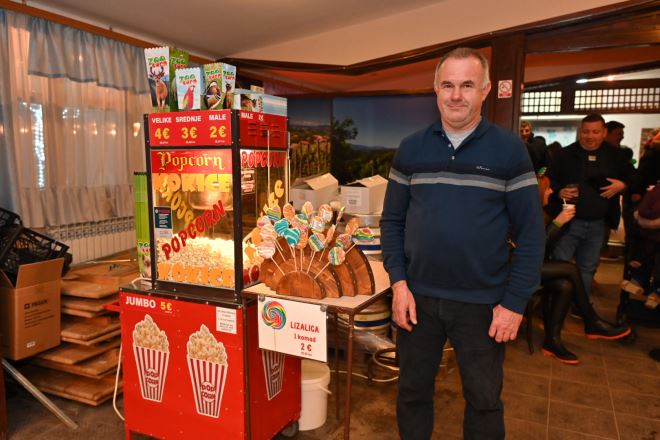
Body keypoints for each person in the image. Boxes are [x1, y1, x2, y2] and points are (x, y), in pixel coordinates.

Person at [380, 47, 545, 440]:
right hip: (417, 298)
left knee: (484, 400)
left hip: (483, 304)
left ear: (485, 90)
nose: (456, 95)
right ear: (436, 89)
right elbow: (392, 221)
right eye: (448, 85)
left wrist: (514, 303)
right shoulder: (411, 148)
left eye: (467, 85)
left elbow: (532, 233)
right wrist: (398, 284)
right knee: (412, 393)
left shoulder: (509, 150)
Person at [537, 173, 631, 364]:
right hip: (515, 267)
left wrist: (561, 222)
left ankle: (552, 342)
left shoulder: (544, 211)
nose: (551, 191)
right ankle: (591, 320)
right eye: (547, 189)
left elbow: (547, 247)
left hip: (534, 265)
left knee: (565, 285)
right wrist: (558, 223)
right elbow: (535, 248)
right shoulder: (526, 214)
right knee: (570, 269)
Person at [546, 114, 634, 298]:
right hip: (568, 222)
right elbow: (550, 180)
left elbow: (635, 178)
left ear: (604, 132)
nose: (590, 136)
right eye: (586, 132)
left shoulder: (615, 155)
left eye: (595, 132)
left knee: (588, 268)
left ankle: (581, 305)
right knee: (560, 264)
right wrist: (559, 191)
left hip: (598, 223)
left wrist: (623, 185)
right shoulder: (564, 154)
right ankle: (556, 305)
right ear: (580, 132)